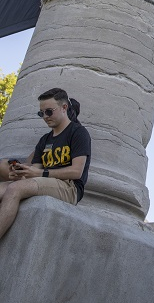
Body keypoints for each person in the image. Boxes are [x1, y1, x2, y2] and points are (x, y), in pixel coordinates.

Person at [0, 88, 91, 239]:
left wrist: (41, 173)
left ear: (64, 108)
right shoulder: (45, 139)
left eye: (49, 111)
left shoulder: (78, 132)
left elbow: (77, 172)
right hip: (44, 180)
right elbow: (35, 169)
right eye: (41, 113)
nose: (45, 117)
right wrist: (21, 171)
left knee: (15, 188)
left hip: (69, 187)